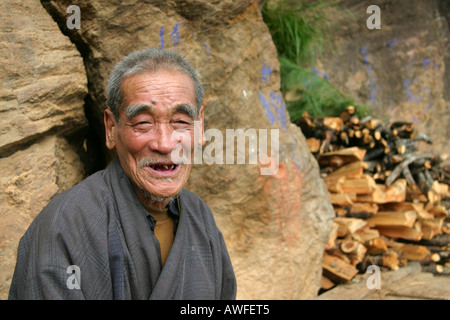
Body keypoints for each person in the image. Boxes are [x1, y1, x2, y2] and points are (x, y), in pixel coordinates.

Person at [8, 48, 237, 300]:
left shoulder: (199, 216)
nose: (164, 144)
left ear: (200, 126)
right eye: (142, 123)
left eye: (181, 122)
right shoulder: (65, 227)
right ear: (111, 128)